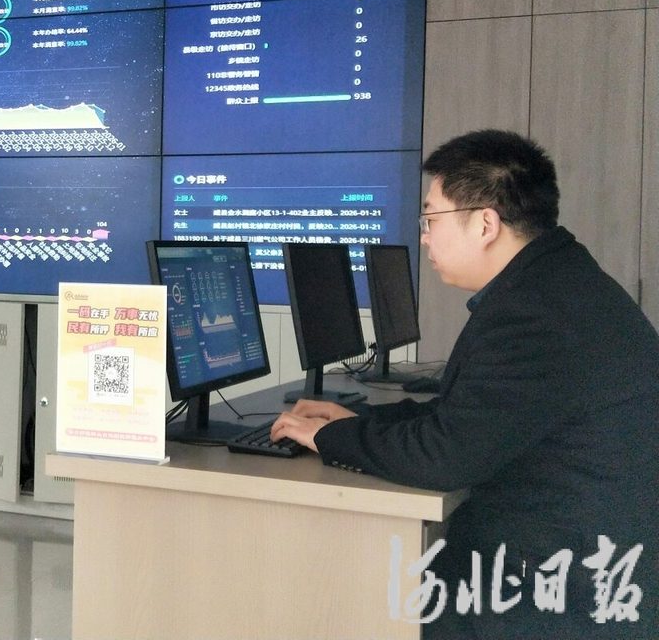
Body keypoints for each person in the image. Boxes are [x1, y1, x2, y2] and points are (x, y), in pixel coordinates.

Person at [271, 129, 659, 638]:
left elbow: (445, 456)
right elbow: (465, 414)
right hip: (583, 559)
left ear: (485, 224)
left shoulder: (534, 313)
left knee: (364, 593)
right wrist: (357, 419)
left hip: (564, 591)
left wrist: (330, 438)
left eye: (431, 219)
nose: (424, 237)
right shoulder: (554, 283)